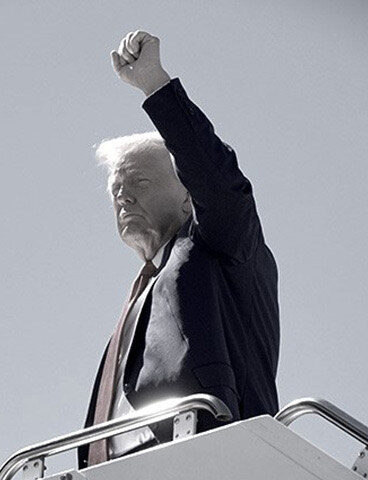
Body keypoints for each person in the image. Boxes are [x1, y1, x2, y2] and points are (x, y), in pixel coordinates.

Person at [78, 31, 280, 468]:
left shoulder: (220, 248)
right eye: (116, 189)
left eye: (140, 183)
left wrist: (155, 85)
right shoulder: (140, 297)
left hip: (210, 458)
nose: (123, 198)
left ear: (189, 195)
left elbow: (219, 183)